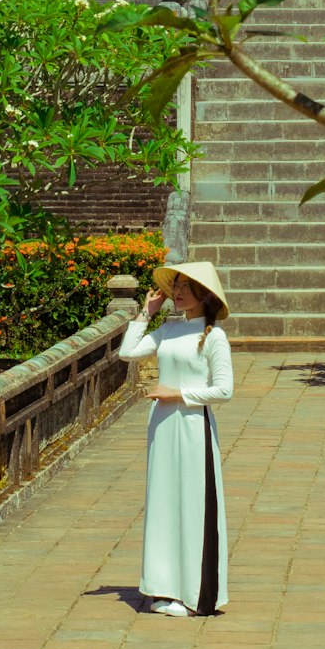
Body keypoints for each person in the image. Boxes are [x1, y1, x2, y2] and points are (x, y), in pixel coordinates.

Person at [119, 260, 233, 617]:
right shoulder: (167, 331)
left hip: (192, 426)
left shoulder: (214, 336)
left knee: (192, 503)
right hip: (162, 426)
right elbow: (128, 352)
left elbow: (225, 389)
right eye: (177, 286)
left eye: (187, 286)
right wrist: (145, 314)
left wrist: (178, 394)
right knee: (164, 502)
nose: (179, 292)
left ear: (205, 294)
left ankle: (193, 595)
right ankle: (165, 585)